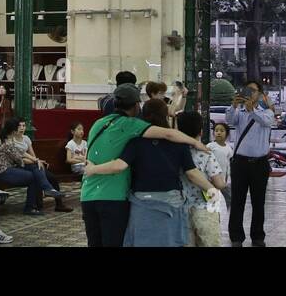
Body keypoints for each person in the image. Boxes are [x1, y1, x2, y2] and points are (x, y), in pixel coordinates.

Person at [79, 82, 209, 247]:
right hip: (114, 198)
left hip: (88, 195)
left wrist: (91, 169)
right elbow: (169, 134)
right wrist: (196, 143)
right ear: (135, 106)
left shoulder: (99, 124)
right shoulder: (132, 126)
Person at [226, 79, 273, 246]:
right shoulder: (239, 112)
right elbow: (230, 120)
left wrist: (252, 110)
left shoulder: (266, 112)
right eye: (248, 90)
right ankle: (236, 237)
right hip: (240, 162)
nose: (250, 93)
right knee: (237, 201)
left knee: (258, 202)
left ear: (259, 94)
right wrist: (234, 105)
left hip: (259, 163)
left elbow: (266, 122)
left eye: (253, 90)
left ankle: (258, 236)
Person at [0, 116, 68, 215]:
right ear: (13, 131)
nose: (20, 128)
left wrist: (36, 159)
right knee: (33, 176)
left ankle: (45, 191)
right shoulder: (7, 143)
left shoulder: (7, 138)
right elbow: (19, 160)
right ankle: (32, 205)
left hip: (8, 168)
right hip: (1, 171)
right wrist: (36, 161)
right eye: (18, 127)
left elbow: (21, 152)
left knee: (34, 170)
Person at [176, 110, 226, 247]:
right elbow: (219, 184)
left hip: (180, 209)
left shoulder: (173, 153)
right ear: (201, 132)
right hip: (206, 209)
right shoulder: (206, 154)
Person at [9, 117, 72, 211]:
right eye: (19, 126)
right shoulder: (10, 140)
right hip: (20, 165)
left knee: (52, 178)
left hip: (31, 164)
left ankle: (59, 204)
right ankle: (39, 203)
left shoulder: (26, 138)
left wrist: (38, 160)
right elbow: (19, 158)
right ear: (14, 128)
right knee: (37, 173)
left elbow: (32, 154)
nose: (22, 128)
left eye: (24, 125)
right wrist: (35, 161)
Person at [207, 121, 233, 209]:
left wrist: (228, 177)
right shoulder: (210, 146)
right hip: (211, 179)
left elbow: (228, 164)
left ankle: (231, 213)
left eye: (222, 131)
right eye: (216, 130)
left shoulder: (228, 148)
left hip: (223, 180)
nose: (219, 132)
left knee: (230, 199)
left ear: (227, 134)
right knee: (212, 202)